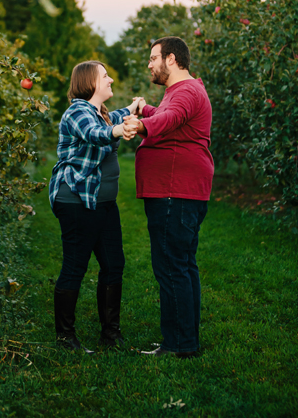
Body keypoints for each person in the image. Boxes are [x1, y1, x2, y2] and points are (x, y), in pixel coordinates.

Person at [123, 36, 213, 359]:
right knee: (184, 265)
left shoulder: (186, 91)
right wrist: (144, 107)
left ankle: (178, 345)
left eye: (152, 58)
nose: (149, 64)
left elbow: (169, 119)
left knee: (172, 268)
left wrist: (142, 124)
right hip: (181, 190)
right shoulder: (181, 92)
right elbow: (168, 114)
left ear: (171, 59)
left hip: (175, 191)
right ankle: (186, 340)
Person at [48, 60, 142, 351]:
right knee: (75, 267)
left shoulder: (100, 112)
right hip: (76, 201)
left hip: (103, 203)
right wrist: (118, 131)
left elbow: (112, 117)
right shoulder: (77, 111)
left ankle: (110, 335)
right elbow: (95, 133)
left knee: (114, 265)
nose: (111, 79)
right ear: (90, 82)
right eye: (105, 76)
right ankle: (65, 338)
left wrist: (132, 108)